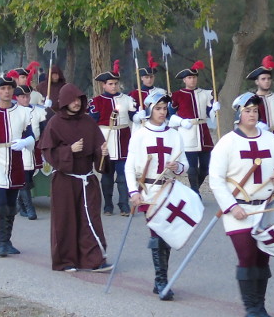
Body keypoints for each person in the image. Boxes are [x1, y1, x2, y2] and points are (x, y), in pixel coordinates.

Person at [210, 94, 274, 317]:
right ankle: (250, 310)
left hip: (265, 208)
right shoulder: (227, 143)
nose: (252, 114)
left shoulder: (270, 140)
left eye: (255, 110)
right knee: (246, 256)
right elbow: (216, 180)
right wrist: (232, 207)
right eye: (247, 111)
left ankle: (260, 307)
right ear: (238, 114)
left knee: (263, 257)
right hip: (239, 211)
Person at [38, 82, 112, 272]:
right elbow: (48, 152)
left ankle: (94, 259)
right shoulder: (55, 123)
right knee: (66, 221)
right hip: (65, 180)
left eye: (79, 99)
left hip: (87, 180)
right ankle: (65, 260)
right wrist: (68, 150)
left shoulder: (88, 122)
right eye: (73, 100)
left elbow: (98, 152)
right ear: (64, 102)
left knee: (90, 219)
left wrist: (102, 152)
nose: (77, 103)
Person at [126, 91, 188, 300]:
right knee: (157, 234)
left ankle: (161, 280)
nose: (162, 112)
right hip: (149, 191)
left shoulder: (174, 134)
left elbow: (184, 165)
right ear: (150, 109)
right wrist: (133, 191)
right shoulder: (140, 134)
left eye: (165, 108)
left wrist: (177, 165)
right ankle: (161, 280)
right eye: (158, 108)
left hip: (168, 189)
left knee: (165, 234)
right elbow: (128, 166)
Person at [0, 71, 35, 257]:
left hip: (15, 158)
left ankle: (8, 240)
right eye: (3, 89)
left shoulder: (24, 112)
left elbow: (32, 136)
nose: (7, 92)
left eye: (9, 88)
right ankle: (1, 242)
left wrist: (26, 142)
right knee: (1, 202)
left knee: (11, 204)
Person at [89, 61, 137, 216]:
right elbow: (91, 123)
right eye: (110, 84)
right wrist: (97, 145)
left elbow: (134, 117)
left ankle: (124, 205)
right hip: (105, 141)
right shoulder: (96, 101)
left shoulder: (127, 99)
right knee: (107, 176)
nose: (114, 86)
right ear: (104, 85)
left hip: (123, 139)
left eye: (116, 83)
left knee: (123, 175)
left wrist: (140, 115)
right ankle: (108, 205)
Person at [169, 61, 219, 195]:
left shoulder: (206, 94)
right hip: (187, 132)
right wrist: (181, 122)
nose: (192, 80)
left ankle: (192, 191)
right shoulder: (176, 95)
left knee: (205, 167)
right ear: (185, 80)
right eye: (189, 78)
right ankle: (196, 192)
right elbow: (170, 115)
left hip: (203, 132)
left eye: (194, 77)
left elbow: (210, 113)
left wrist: (214, 109)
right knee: (191, 167)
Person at [14, 84, 47, 220]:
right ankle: (29, 208)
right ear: (17, 98)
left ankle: (21, 205)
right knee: (24, 178)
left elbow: (43, 130)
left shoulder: (38, 112)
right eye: (23, 96)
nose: (26, 99)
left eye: (27, 96)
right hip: (18, 148)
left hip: (34, 147)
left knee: (29, 176)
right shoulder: (13, 111)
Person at [246, 55, 274, 143]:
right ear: (257, 81)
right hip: (257, 137)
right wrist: (257, 125)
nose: (267, 81)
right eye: (263, 79)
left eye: (269, 79)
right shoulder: (250, 99)